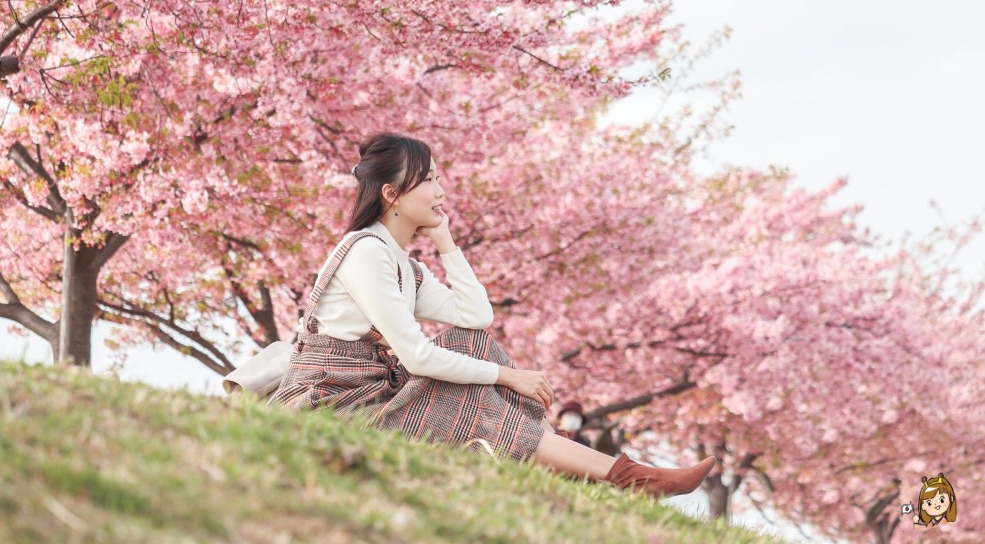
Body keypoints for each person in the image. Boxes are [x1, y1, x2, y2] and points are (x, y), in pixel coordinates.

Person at [271, 133, 715, 498]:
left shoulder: (403, 263)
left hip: (374, 390)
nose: (441, 192)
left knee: (474, 346)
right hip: (335, 403)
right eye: (428, 181)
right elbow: (418, 358)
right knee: (477, 387)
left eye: (438, 178)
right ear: (392, 195)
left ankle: (607, 473)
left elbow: (475, 317)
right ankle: (629, 476)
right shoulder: (367, 253)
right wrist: (508, 376)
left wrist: (447, 244)